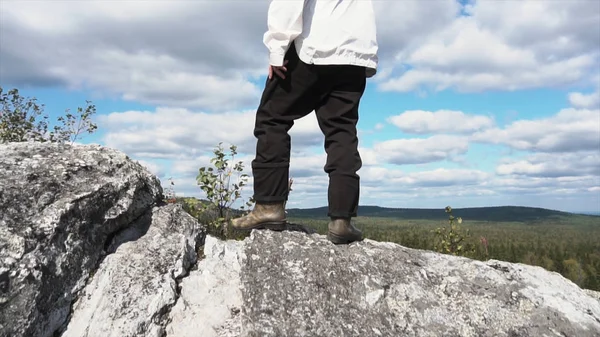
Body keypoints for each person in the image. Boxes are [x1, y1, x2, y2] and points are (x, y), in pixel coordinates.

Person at [231, 0, 379, 244]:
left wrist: (277, 48)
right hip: (356, 53)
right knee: (341, 130)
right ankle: (342, 221)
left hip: (315, 44)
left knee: (272, 118)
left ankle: (269, 205)